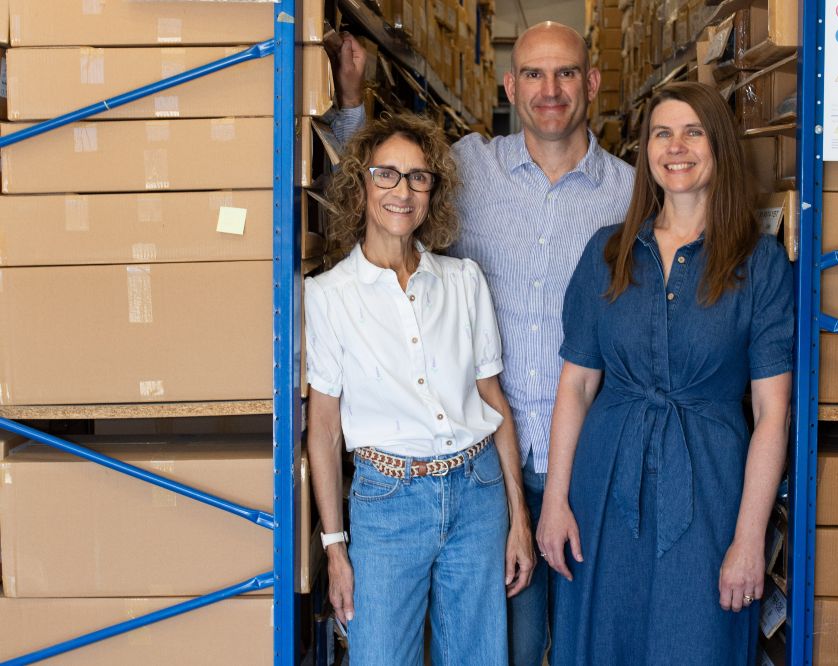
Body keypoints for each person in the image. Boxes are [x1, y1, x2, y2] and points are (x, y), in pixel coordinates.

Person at [326, 22, 635, 664]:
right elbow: (383, 183)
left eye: (566, 73)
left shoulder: (632, 193)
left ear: (592, 82)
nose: (550, 90)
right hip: (491, 469)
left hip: (590, 458)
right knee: (510, 648)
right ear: (509, 86)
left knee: (593, 645)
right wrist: (351, 97)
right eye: (533, 74)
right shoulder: (470, 167)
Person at [536, 81, 793, 665]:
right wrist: (555, 503)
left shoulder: (759, 263)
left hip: (709, 488)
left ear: (718, 146)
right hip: (604, 483)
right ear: (646, 151)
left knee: (696, 640)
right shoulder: (607, 253)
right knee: (603, 639)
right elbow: (576, 386)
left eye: (693, 132)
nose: (676, 147)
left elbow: (772, 413)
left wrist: (749, 539)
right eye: (662, 134)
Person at [304, 111, 534, 666]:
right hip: (388, 503)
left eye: (418, 177)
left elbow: (493, 401)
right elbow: (325, 429)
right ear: (361, 184)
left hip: (477, 493)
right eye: (386, 174)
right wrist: (335, 548)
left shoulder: (464, 281)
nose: (402, 192)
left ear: (434, 192)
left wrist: (519, 520)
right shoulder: (328, 295)